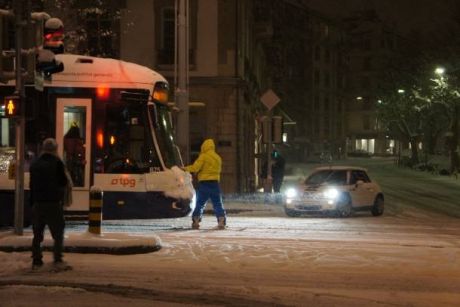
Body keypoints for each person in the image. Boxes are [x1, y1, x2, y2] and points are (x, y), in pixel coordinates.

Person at [29, 138, 69, 269]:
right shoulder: (57, 163)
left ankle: (36, 259)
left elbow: (31, 185)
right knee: (58, 233)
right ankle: (57, 258)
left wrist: (33, 202)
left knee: (37, 234)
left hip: (38, 203)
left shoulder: (35, 164)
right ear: (55, 149)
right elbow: (63, 182)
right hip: (53, 203)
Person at [184, 139, 227, 230]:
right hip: (215, 184)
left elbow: (195, 168)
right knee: (218, 203)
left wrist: (185, 169)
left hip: (204, 184)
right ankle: (221, 220)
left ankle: (196, 220)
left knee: (200, 203)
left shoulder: (203, 156)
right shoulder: (218, 158)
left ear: (204, 147)